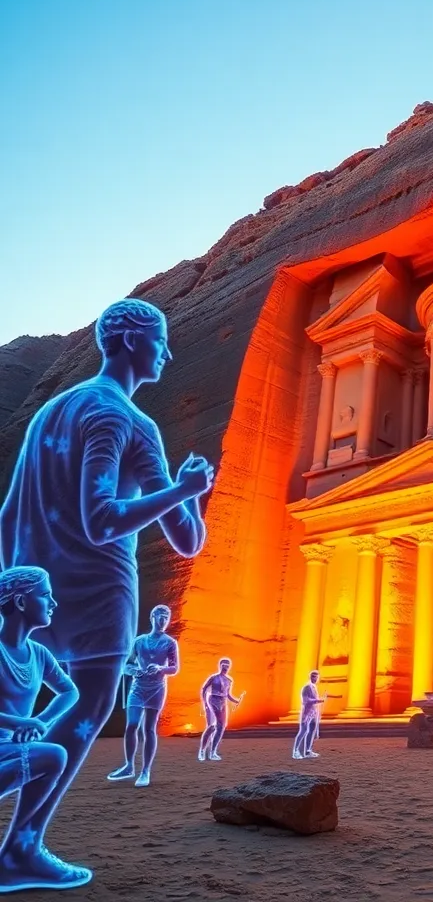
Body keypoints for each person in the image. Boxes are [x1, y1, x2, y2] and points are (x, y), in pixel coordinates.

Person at [0, 298, 213, 863]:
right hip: (100, 589)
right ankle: (22, 844)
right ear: (128, 341)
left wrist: (14, 583)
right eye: (160, 340)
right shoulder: (123, 418)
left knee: (47, 697)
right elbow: (105, 520)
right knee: (89, 707)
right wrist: (187, 491)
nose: (167, 352)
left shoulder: (53, 411)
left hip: (38, 587)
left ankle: (22, 838)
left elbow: (6, 516)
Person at [0, 567, 89, 891]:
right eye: (46, 594)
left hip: (7, 748)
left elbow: (70, 692)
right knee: (51, 755)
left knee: (51, 755)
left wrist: (40, 722)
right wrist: (19, 722)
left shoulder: (38, 653)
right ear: (22, 602)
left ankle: (18, 855)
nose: (53, 603)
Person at [107, 604, 179, 787]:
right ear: (152, 617)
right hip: (138, 687)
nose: (163, 621)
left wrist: (161, 668)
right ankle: (129, 765)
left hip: (157, 688)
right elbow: (127, 664)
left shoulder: (170, 643)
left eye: (166, 617)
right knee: (132, 725)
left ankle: (145, 770)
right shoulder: (139, 641)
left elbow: (174, 667)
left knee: (149, 729)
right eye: (160, 616)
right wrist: (135, 671)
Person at [198, 658, 242, 762]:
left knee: (221, 726)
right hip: (213, 699)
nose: (225, 668)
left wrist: (236, 700)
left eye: (227, 666)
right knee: (214, 725)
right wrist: (205, 703)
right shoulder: (213, 678)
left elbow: (228, 695)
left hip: (223, 702)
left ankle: (213, 752)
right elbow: (204, 689)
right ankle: (202, 750)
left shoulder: (229, 680)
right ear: (220, 666)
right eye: (224, 665)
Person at [292, 670, 325, 760]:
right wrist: (319, 700)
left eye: (316, 677)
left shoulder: (314, 687)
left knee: (312, 731)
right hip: (306, 713)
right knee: (303, 731)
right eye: (313, 676)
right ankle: (295, 751)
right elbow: (306, 700)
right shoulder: (306, 687)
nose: (315, 678)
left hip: (314, 712)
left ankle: (308, 751)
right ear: (310, 677)